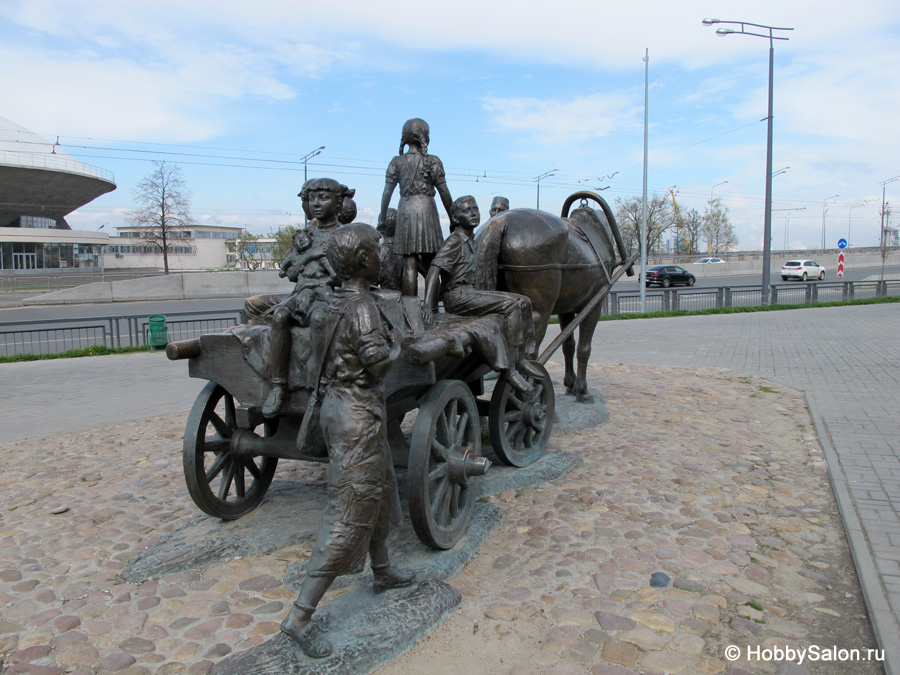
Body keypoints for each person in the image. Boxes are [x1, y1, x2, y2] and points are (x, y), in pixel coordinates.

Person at [280, 223, 415, 658]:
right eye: (377, 251)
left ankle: (383, 569)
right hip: (358, 412)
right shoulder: (362, 308)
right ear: (362, 261)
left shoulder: (328, 303)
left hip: (341, 409)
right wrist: (399, 343)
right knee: (350, 509)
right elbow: (378, 364)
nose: (383, 256)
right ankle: (300, 616)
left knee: (378, 488)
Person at [254, 178, 354, 417]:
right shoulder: (305, 235)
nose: (316, 204)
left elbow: (351, 272)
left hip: (331, 294)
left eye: (324, 198)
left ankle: (322, 385)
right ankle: (278, 386)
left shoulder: (345, 234)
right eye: (312, 199)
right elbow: (291, 271)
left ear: (338, 203)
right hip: (303, 293)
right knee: (279, 316)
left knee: (320, 318)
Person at [422, 195, 541, 393]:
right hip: (457, 296)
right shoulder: (455, 241)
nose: (474, 213)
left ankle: (520, 359)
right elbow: (434, 270)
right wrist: (427, 304)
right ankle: (509, 370)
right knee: (512, 305)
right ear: (456, 218)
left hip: (470, 292)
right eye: (467, 211)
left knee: (524, 302)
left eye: (475, 209)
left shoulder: (471, 241)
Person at [378, 118, 453, 297]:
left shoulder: (396, 162)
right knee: (431, 264)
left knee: (409, 264)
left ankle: (409, 310)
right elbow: (444, 192)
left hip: (405, 212)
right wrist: (453, 218)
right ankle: (432, 309)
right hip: (427, 211)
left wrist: (382, 217)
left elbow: (387, 193)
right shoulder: (433, 161)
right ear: (425, 136)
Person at [376, 207, 403, 292]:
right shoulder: (409, 252)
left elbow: (372, 282)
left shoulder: (378, 252)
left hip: (387, 300)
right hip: (408, 299)